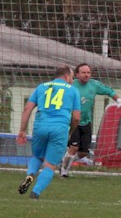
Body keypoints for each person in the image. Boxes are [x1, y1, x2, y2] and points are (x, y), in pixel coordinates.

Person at [17, 65, 81, 199]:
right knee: (50, 164)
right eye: (72, 77)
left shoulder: (41, 87)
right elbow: (76, 117)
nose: (72, 80)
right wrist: (70, 131)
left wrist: (22, 130)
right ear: (66, 76)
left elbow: (27, 109)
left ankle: (30, 175)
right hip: (59, 127)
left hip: (40, 125)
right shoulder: (73, 90)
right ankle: (35, 194)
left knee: (37, 156)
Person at [59, 63, 121, 177]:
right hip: (72, 121)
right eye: (83, 73)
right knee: (74, 147)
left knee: (83, 153)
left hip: (86, 121)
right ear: (77, 74)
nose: (86, 75)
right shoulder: (70, 86)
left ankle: (65, 160)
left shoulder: (94, 85)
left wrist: (120, 101)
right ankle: (64, 172)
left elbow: (109, 91)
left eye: (88, 73)